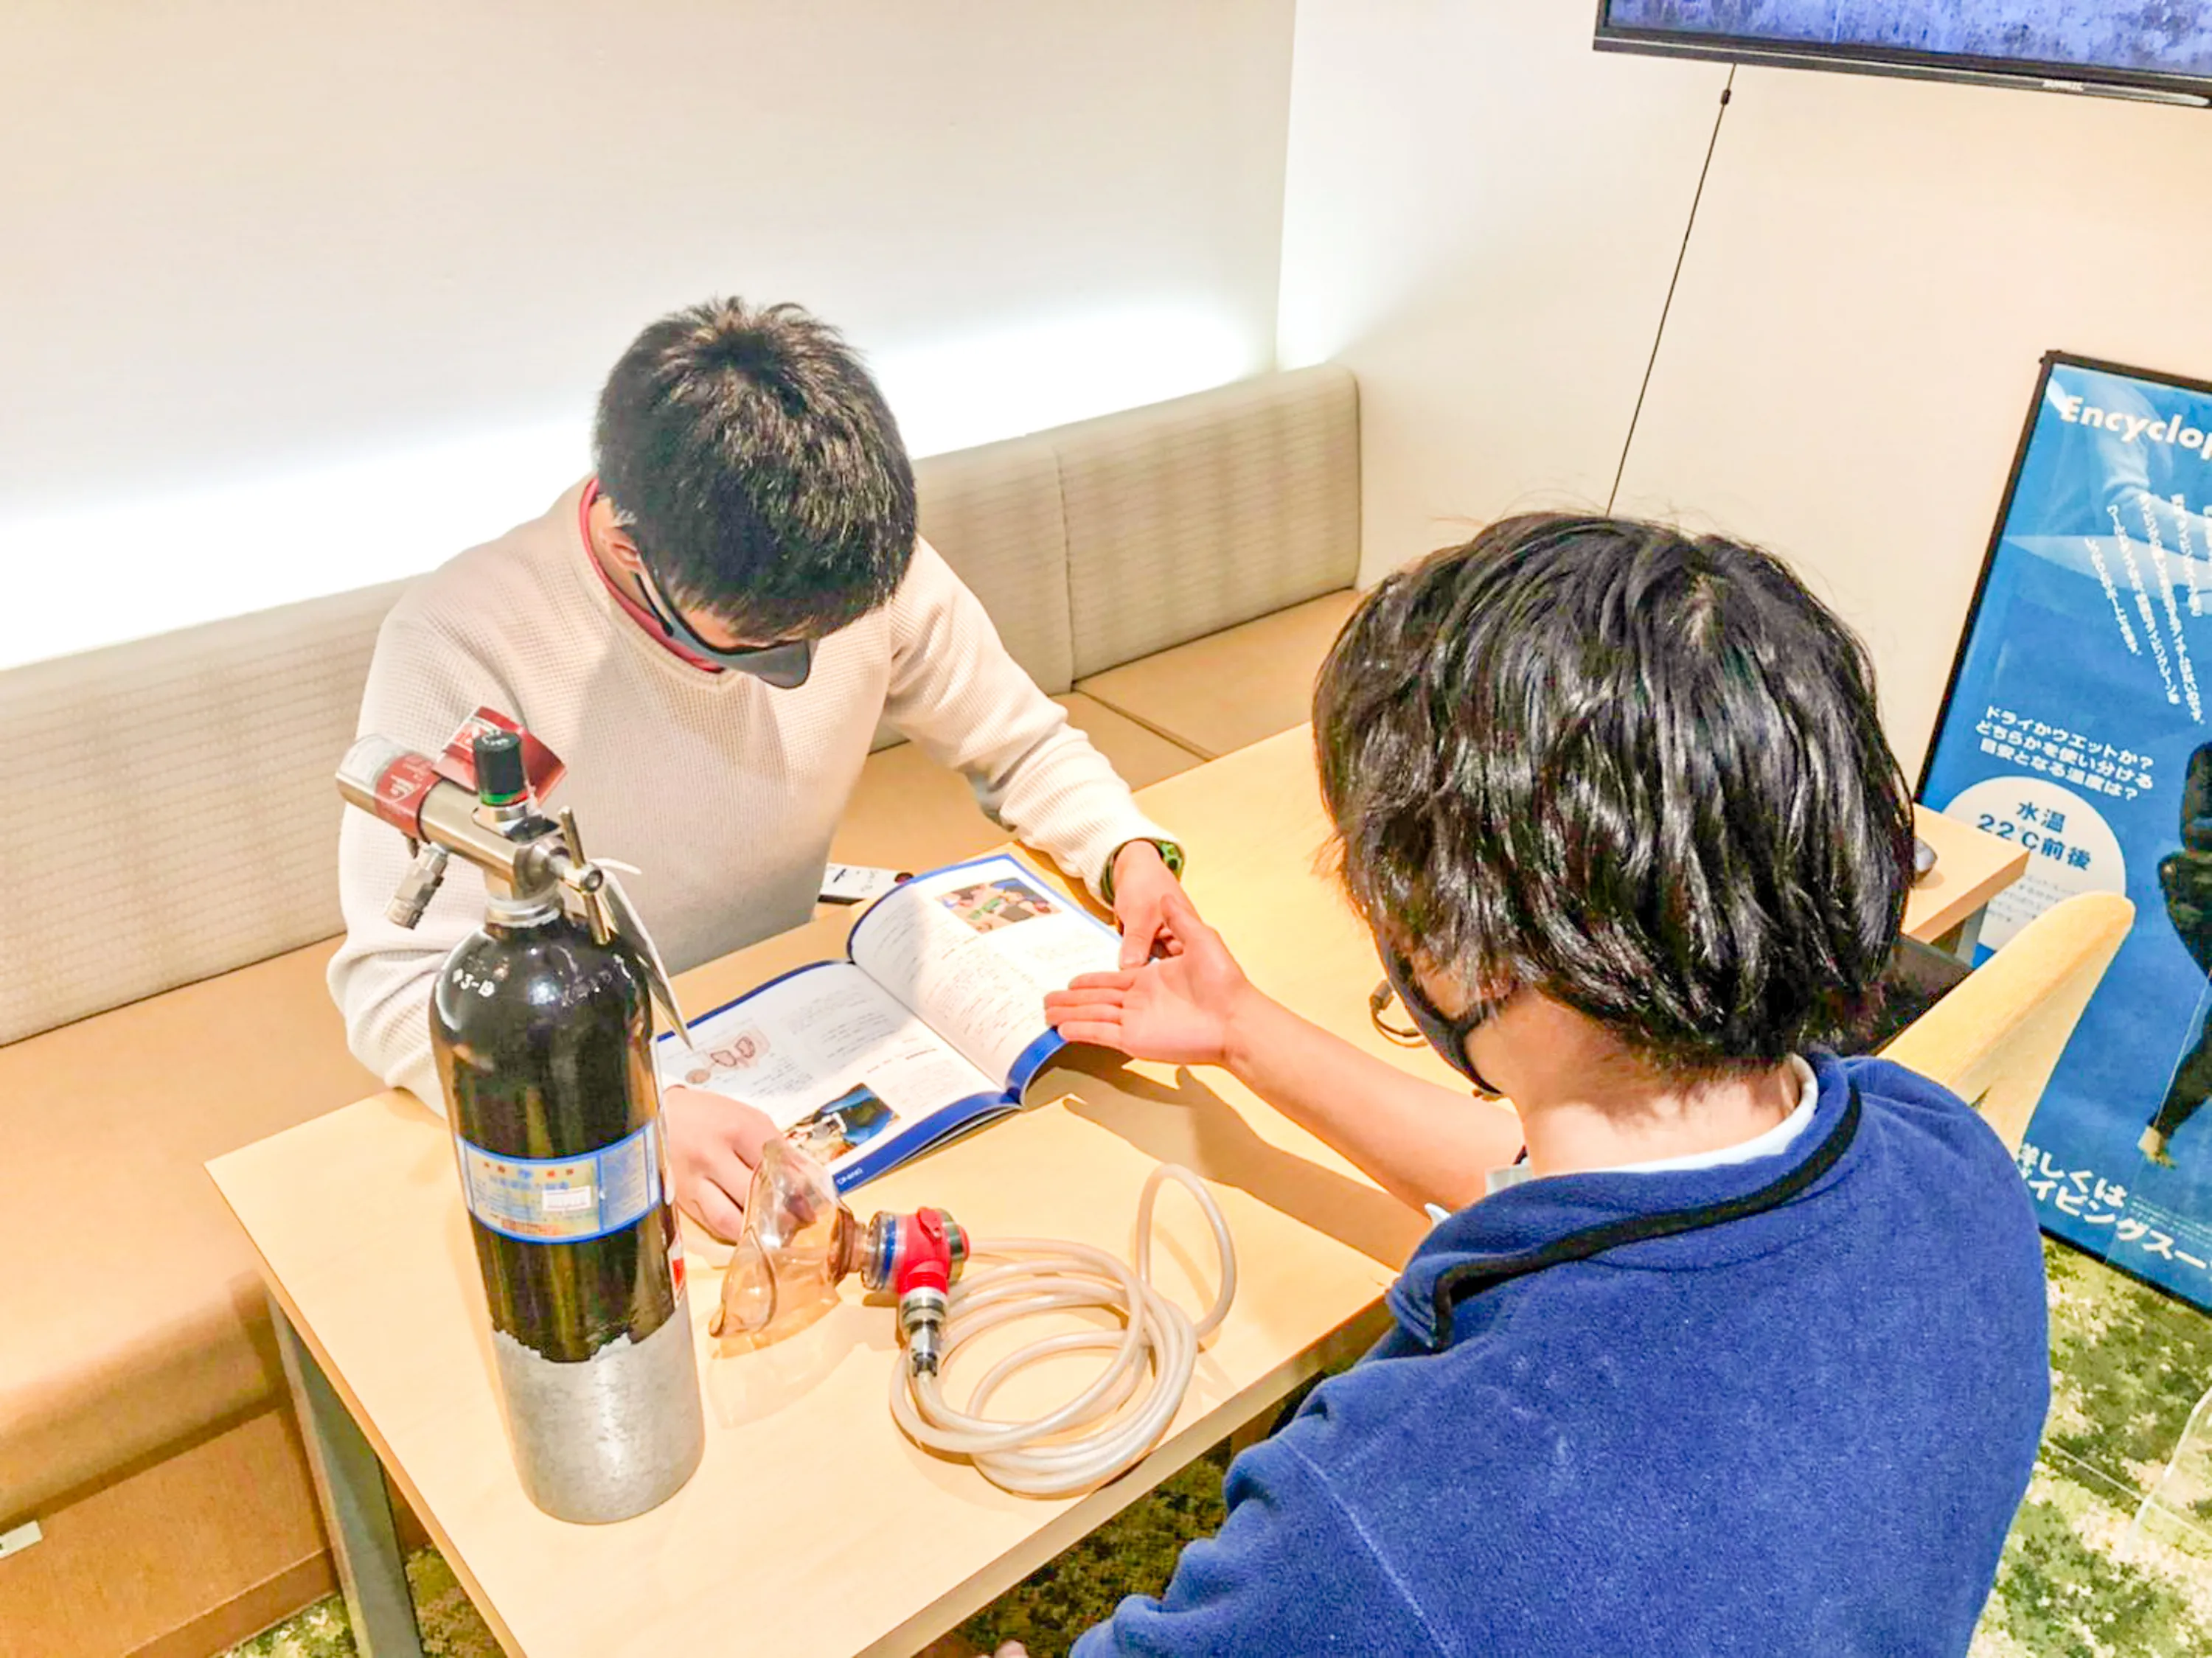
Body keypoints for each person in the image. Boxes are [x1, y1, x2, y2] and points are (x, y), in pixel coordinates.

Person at [1041, 514, 2050, 1655]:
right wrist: (1241, 1029)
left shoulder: (1383, 1531)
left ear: (1465, 948)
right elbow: (1546, 1187)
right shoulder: (1948, 1156)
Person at [330, 298, 1186, 1240]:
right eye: (766, 647)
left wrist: (1128, 852)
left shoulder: (846, 555)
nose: (812, 658)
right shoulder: (468, 641)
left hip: (799, 1005)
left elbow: (1017, 740)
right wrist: (632, 1113)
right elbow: (396, 985)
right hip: (605, 1073)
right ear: (628, 546)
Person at [2143, 740, 2212, 1166]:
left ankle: (2158, 1132)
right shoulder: (2209, 759)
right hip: (2195, 883)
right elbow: (2196, 827)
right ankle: (2158, 1132)